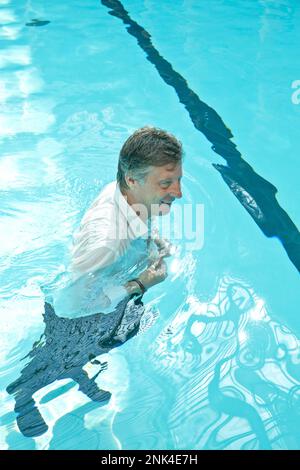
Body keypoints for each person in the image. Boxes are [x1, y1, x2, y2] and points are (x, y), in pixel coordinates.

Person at [53, 126, 183, 317]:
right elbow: (68, 308)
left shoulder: (128, 192)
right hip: (81, 323)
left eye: (178, 180)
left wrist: (154, 238)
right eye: (165, 183)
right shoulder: (107, 245)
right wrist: (140, 284)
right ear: (132, 180)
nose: (178, 193)